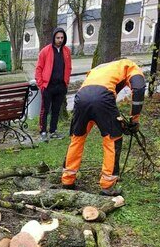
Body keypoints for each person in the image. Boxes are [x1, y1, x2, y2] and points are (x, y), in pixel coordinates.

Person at [61, 58, 145, 196]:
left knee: (77, 138)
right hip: (103, 97)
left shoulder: (100, 68)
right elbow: (139, 89)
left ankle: (67, 180)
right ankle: (107, 185)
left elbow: (93, 88)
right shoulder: (131, 66)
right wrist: (134, 119)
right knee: (112, 139)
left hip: (81, 96)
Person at [35, 27, 72, 141]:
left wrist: (66, 82)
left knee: (56, 110)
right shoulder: (45, 51)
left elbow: (69, 67)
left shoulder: (66, 51)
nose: (60, 40)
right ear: (53, 38)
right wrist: (41, 84)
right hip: (48, 86)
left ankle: (53, 130)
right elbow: (39, 68)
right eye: (57, 38)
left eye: (62, 38)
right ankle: (43, 131)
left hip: (60, 86)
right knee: (45, 110)